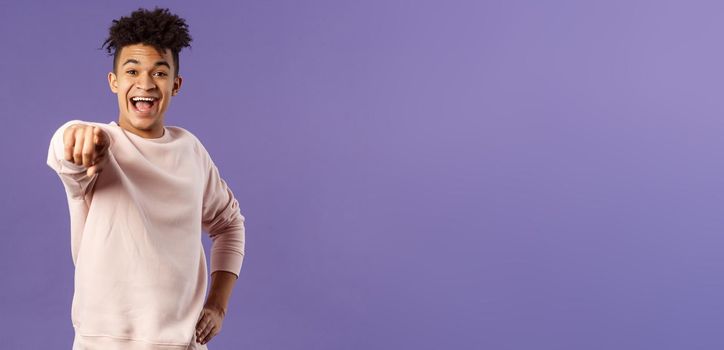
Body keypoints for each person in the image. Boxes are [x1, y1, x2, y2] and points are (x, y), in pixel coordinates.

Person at [45, 7, 245, 349]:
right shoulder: (99, 144)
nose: (146, 83)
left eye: (160, 72)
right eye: (132, 70)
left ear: (176, 85)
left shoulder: (191, 150)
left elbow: (229, 224)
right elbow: (68, 152)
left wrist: (218, 305)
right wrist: (75, 136)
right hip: (103, 343)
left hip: (183, 342)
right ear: (114, 82)